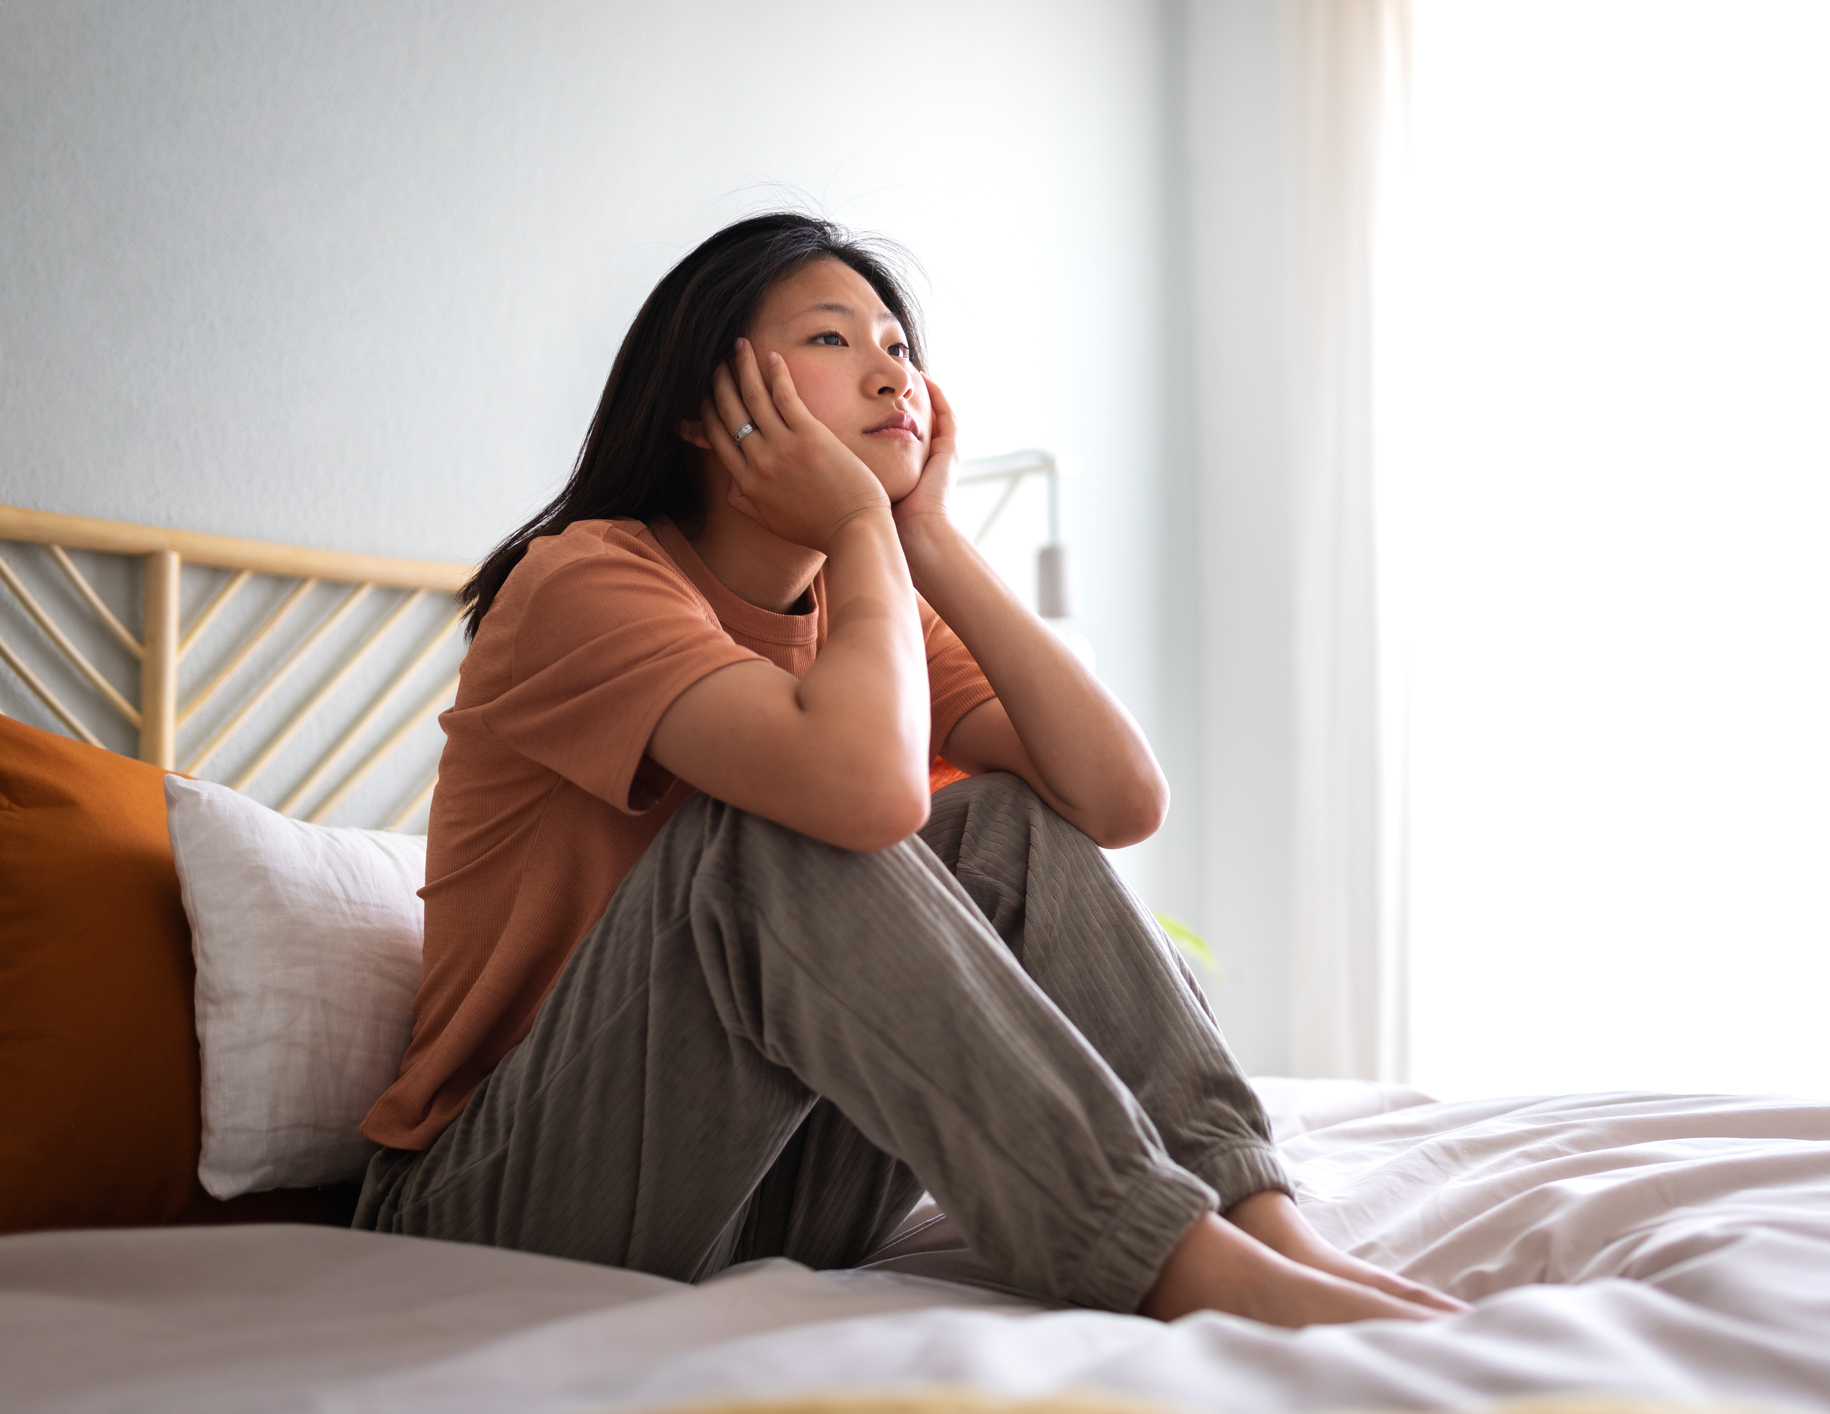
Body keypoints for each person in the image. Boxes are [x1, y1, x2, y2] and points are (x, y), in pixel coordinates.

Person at [353, 212, 1463, 1328]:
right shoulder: (583, 582)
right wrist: (853, 519)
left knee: (1005, 823)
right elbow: (866, 797)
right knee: (773, 835)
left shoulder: (870, 608)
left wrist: (925, 535)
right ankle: (1172, 1262)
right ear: (701, 410)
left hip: (757, 1189)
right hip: (497, 1202)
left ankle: (1257, 1221)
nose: (892, 371)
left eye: (896, 343)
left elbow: (1121, 799)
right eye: (834, 340)